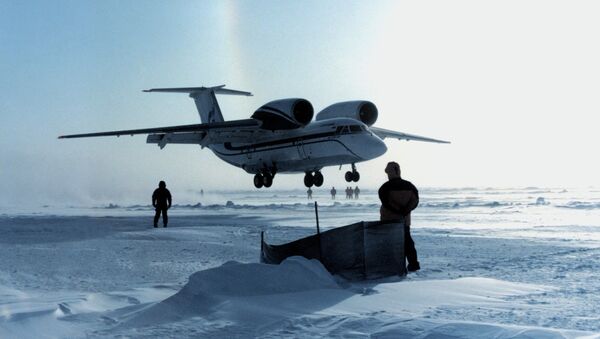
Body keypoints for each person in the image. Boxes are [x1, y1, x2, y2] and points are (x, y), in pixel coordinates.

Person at [378, 162, 420, 272]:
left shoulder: (385, 188)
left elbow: (386, 203)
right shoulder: (410, 186)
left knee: (390, 245)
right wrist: (406, 210)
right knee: (407, 244)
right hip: (404, 222)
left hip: (389, 222)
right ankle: (413, 264)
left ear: (389, 172)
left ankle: (391, 266)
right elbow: (415, 201)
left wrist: (397, 210)